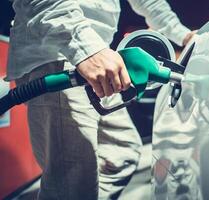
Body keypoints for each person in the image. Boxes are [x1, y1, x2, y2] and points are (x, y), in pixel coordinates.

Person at [7, 0, 196, 199]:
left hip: (94, 58)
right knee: (72, 180)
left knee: (121, 155)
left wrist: (183, 35)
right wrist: (87, 49)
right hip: (59, 53)